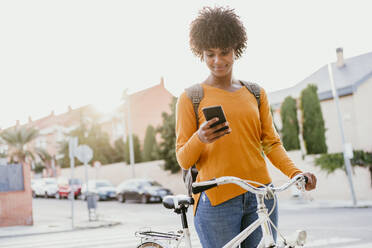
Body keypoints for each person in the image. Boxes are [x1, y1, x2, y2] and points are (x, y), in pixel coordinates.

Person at [175, 6, 317, 248]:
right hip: (217, 200)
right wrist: (200, 137)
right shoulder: (191, 97)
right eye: (210, 54)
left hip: (261, 196)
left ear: (236, 49)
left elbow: (271, 144)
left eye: (224, 52)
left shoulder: (256, 93)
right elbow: (183, 159)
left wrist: (296, 174)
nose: (217, 61)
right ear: (201, 53)